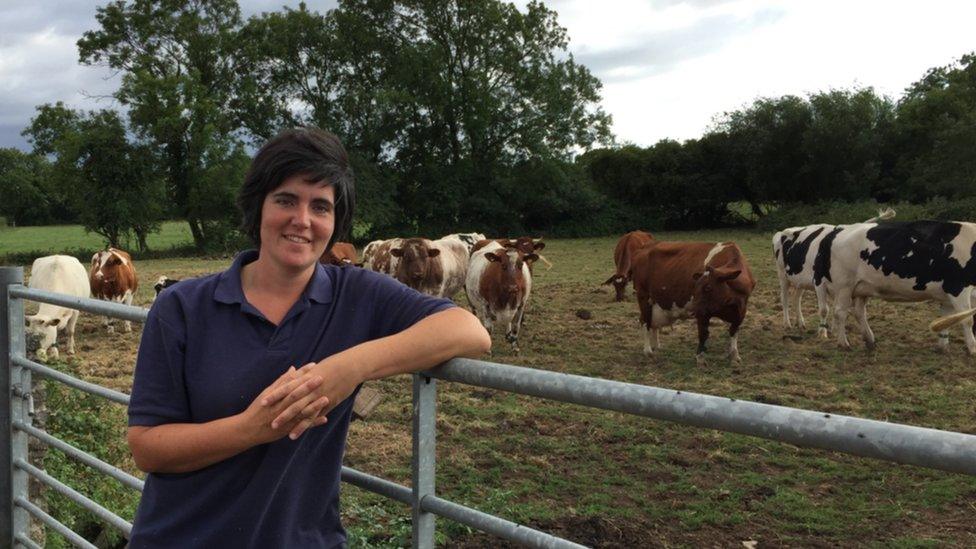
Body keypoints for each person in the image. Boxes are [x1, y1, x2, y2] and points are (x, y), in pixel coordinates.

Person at [126, 127, 491, 547]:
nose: (302, 220)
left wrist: (348, 368)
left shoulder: (355, 293)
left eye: (321, 206)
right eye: (285, 200)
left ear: (335, 223)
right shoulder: (181, 307)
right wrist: (252, 428)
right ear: (258, 207)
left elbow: (468, 330)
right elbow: (147, 448)